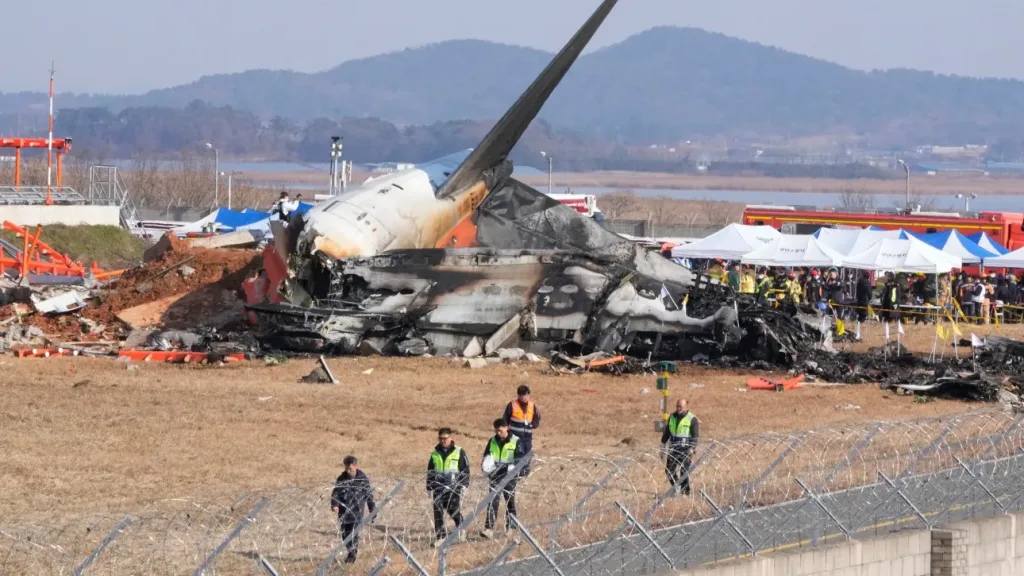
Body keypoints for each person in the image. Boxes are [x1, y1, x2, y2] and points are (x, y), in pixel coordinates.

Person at [480, 418, 527, 539]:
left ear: (507, 428)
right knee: (492, 500)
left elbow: (520, 458)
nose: (498, 433)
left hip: (509, 475)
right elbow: (487, 455)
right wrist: (486, 465)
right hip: (495, 475)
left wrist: (515, 469)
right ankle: (489, 528)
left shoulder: (515, 441)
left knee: (509, 501)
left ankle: (511, 527)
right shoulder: (492, 441)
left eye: (500, 431)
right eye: (496, 431)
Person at [427, 427, 470, 547]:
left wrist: (464, 485)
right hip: (438, 487)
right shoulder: (435, 453)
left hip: (453, 487)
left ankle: (461, 528)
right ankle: (440, 537)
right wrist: (429, 486)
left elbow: (465, 469)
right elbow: (430, 471)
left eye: (445, 438)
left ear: (450, 438)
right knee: (438, 511)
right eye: (440, 438)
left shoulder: (459, 451)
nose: (443, 441)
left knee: (453, 510)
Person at [331, 456, 376, 564]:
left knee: (353, 533)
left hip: (357, 511)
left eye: (350, 469)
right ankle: (350, 551)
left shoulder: (362, 480)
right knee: (345, 535)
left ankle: (352, 555)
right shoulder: (342, 478)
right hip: (343, 511)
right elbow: (335, 493)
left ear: (356, 467)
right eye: (346, 468)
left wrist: (373, 511)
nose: (348, 471)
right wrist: (335, 504)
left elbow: (369, 496)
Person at [659, 399, 699, 496]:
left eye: (680, 406)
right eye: (677, 406)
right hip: (673, 448)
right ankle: (676, 487)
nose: (678, 408)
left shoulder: (692, 419)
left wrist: (692, 448)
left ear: (686, 407)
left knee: (684, 471)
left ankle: (686, 492)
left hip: (686, 449)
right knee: (669, 470)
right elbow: (667, 432)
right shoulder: (672, 417)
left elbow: (695, 436)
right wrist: (663, 445)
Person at [503, 385, 539, 476]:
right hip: (515, 436)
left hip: (527, 436)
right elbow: (505, 419)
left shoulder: (532, 405)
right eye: (523, 395)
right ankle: (514, 473)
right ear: (519, 396)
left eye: (527, 395)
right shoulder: (512, 405)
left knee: (527, 454)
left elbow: (537, 417)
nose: (525, 397)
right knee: (517, 455)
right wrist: (505, 432)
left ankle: (524, 473)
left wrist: (533, 425)